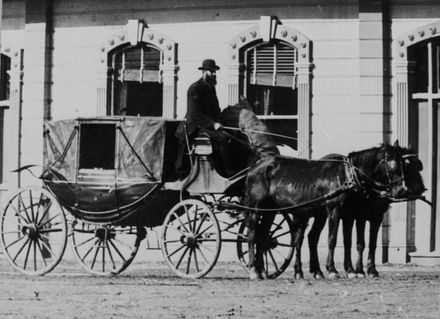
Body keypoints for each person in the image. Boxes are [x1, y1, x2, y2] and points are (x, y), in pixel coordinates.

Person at [175, 58, 230, 177]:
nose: (214, 74)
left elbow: (216, 109)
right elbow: (194, 114)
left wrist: (219, 121)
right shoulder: (195, 88)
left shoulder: (211, 88)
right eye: (212, 71)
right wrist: (213, 124)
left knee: (230, 134)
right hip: (194, 126)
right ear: (204, 72)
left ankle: (220, 167)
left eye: (215, 71)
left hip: (205, 125)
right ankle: (225, 171)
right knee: (222, 138)